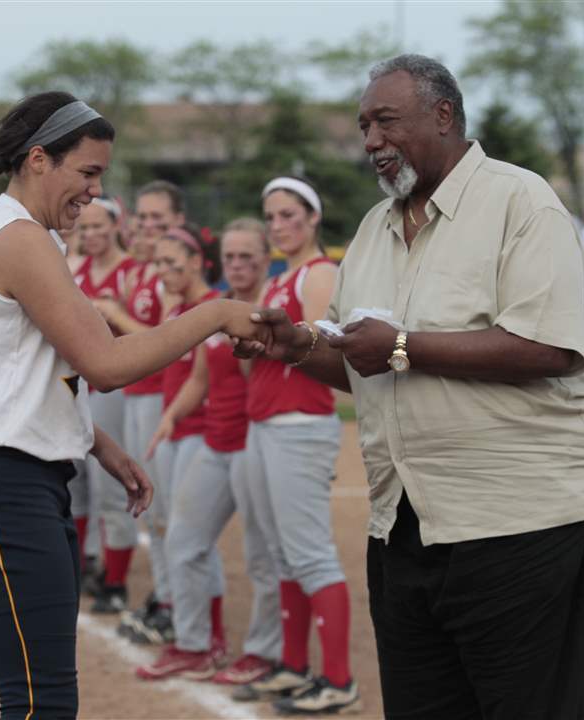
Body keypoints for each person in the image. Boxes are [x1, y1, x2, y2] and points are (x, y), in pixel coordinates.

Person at [240, 54, 584, 719]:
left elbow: (548, 347)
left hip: (534, 516)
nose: (370, 141)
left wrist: (402, 347)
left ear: (444, 115)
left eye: (385, 121)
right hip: (408, 520)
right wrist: (293, 347)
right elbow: (357, 356)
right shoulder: (374, 230)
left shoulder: (521, 200)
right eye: (363, 125)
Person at [0, 91, 267, 720]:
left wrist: (98, 445)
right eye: (87, 173)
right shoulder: (20, 238)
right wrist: (213, 312)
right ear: (38, 159)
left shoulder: (21, 234)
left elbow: (29, 372)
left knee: (41, 699)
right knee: (40, 704)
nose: (96, 192)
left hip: (8, 476)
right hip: (1, 481)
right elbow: (104, 365)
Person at [231, 175, 357, 714]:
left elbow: (329, 351)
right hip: (267, 422)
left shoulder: (319, 272)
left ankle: (338, 679)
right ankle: (292, 665)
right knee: (283, 553)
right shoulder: (281, 277)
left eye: (289, 215)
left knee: (309, 553)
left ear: (312, 219)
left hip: (300, 422)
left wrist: (269, 345)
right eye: (272, 217)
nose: (279, 225)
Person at [135, 218, 280, 685]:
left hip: (254, 443)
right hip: (218, 444)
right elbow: (199, 377)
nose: (237, 265)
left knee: (263, 554)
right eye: (232, 257)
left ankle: (265, 651)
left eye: (247, 257)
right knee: (184, 541)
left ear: (265, 258)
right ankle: (197, 645)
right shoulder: (220, 308)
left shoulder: (272, 307)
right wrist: (171, 416)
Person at [92, 179, 186, 639]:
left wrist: (112, 311)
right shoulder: (139, 272)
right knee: (151, 505)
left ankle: (171, 600)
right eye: (143, 219)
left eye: (159, 220)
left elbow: (158, 337)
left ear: (178, 223)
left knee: (164, 505)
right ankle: (165, 594)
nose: (148, 228)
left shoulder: (170, 273)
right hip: (136, 393)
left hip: (160, 396)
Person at [71, 196, 139, 614]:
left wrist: (112, 311)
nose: (92, 235)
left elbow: (146, 334)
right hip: (79, 385)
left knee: (109, 488)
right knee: (74, 480)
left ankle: (115, 582)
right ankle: (80, 566)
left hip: (115, 388)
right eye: (85, 228)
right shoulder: (74, 270)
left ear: (116, 227)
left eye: (100, 227)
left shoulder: (130, 273)